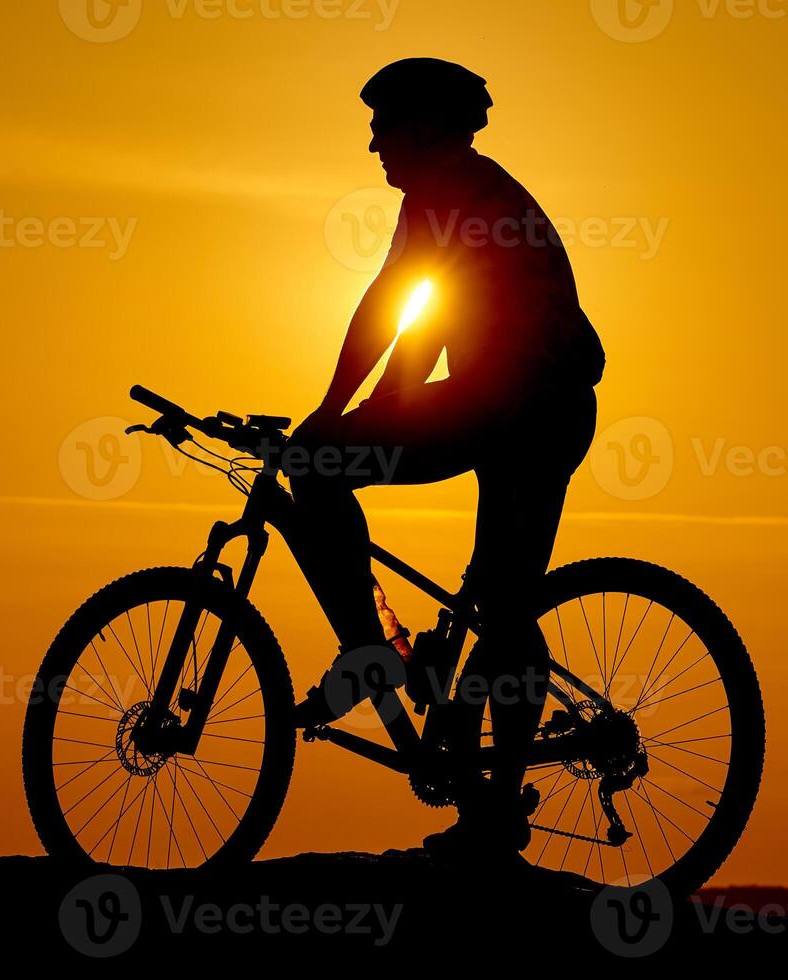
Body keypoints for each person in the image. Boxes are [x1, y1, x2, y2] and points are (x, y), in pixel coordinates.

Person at [285, 57, 604, 858]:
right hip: (516, 405)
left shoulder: (462, 196)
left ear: (427, 129)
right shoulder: (452, 194)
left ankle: (378, 664)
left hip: (521, 408)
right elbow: (410, 311)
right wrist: (364, 404)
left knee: (322, 471)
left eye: (383, 126)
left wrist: (342, 412)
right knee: (500, 602)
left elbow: (407, 308)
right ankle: (464, 775)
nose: (372, 145)